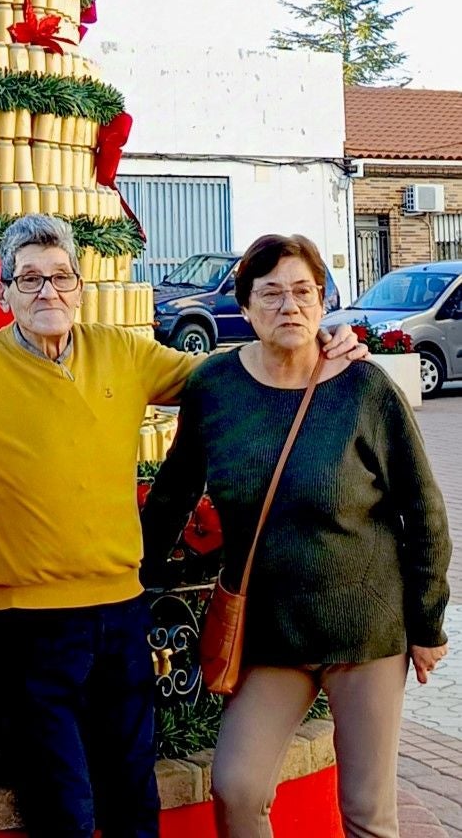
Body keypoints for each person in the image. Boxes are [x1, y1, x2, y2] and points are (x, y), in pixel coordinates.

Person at [0, 214, 367, 838]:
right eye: (29, 279)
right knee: (63, 807)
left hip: (120, 613)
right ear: (3, 294)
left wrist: (312, 346)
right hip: (25, 626)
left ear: (79, 286)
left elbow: (222, 376)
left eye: (61, 277)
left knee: (133, 797)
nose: (47, 292)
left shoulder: (122, 351)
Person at [141, 233, 451, 838]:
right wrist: (138, 577)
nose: (290, 306)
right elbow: (174, 493)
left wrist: (428, 621)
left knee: (367, 812)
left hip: (366, 628)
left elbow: (424, 507)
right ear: (246, 305)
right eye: (272, 293)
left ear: (323, 300)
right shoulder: (215, 388)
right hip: (270, 634)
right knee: (237, 786)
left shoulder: (363, 389)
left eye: (304, 292)